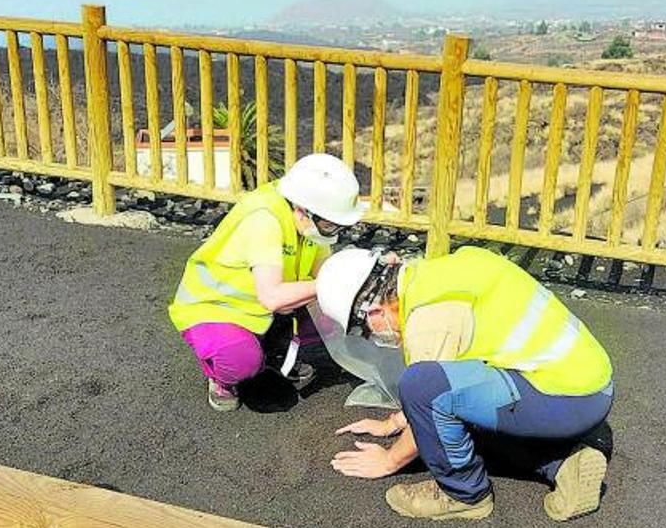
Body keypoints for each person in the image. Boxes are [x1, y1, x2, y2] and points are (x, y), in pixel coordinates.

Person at [315, 246, 614, 521]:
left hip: (562, 401)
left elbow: (427, 397)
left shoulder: (428, 318)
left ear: (374, 312)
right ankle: (563, 463)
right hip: (591, 388)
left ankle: (463, 494)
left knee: (422, 387)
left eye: (364, 329)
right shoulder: (444, 272)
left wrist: (389, 460)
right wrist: (393, 422)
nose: (372, 336)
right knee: (459, 413)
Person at [169, 153, 365, 411]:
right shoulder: (264, 219)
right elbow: (273, 296)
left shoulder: (307, 219)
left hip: (264, 307)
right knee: (241, 361)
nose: (334, 233)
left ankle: (272, 348)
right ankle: (223, 377)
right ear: (303, 210)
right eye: (330, 224)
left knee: (335, 321)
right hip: (214, 308)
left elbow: (321, 271)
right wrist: (333, 284)